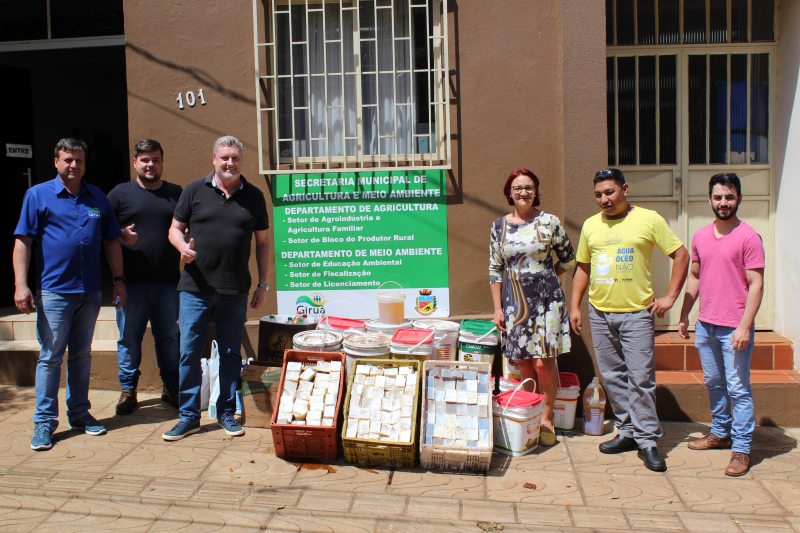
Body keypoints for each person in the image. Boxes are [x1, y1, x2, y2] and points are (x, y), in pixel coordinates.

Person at [570, 168, 689, 472]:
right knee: (612, 377)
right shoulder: (590, 226)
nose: (604, 200)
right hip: (600, 313)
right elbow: (583, 267)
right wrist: (576, 306)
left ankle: (648, 441)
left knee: (641, 379)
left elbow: (681, 255)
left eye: (609, 192)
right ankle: (627, 432)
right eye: (598, 194)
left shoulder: (648, 219)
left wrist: (671, 297)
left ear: (625, 189)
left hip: (637, 313)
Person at [13, 138, 126, 451]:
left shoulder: (97, 197)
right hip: (54, 293)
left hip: (89, 292)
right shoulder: (37, 195)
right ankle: (44, 423)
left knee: (81, 354)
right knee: (50, 357)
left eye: (79, 160)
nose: (74, 165)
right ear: (56, 162)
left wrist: (118, 280)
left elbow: (111, 241)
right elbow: (24, 241)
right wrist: (21, 285)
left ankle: (79, 413)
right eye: (67, 160)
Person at [163, 136, 270, 441]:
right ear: (214, 160)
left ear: (241, 160)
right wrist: (182, 247)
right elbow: (174, 228)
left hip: (235, 289)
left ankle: (225, 412)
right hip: (194, 288)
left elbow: (262, 243)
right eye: (224, 158)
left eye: (235, 158)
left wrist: (263, 284)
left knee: (229, 353)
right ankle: (188, 416)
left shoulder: (254, 196)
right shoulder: (195, 190)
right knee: (188, 352)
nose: (229, 163)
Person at [678, 173, 764, 477]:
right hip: (706, 326)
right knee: (714, 383)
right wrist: (685, 313)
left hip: (734, 327)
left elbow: (756, 284)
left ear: (738, 198)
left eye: (729, 197)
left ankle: (741, 449)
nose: (723, 203)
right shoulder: (700, 236)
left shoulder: (749, 236)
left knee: (738, 389)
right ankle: (720, 432)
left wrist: (745, 326)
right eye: (718, 197)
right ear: (710, 199)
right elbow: (696, 276)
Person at [490, 168, 576, 446]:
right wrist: (498, 308)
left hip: (546, 302)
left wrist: (545, 279)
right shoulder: (499, 226)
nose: (523, 192)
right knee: (524, 360)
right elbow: (495, 268)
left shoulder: (549, 222)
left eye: (528, 187)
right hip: (514, 302)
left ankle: (546, 418)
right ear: (509, 193)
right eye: (517, 188)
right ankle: (528, 410)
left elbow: (568, 258)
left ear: (536, 191)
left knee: (544, 361)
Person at [107, 140, 183, 415]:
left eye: (156, 159)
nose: (151, 164)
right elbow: (101, 231)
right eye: (145, 160)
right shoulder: (119, 194)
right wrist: (119, 235)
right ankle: (128, 392)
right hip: (131, 283)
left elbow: (187, 226)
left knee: (168, 337)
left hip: (167, 282)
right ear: (135, 162)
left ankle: (171, 387)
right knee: (129, 337)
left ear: (162, 162)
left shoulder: (176, 193)